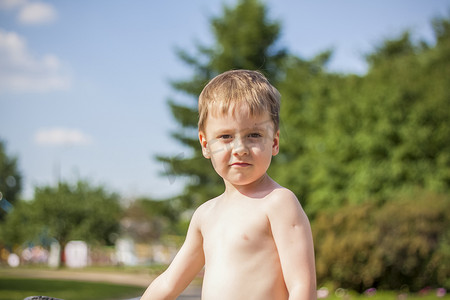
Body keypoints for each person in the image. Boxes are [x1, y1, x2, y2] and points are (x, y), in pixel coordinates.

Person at [141, 70, 316, 300]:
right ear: (205, 144)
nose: (240, 148)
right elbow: (169, 282)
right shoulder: (205, 215)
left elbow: (301, 286)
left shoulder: (278, 203)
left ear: (274, 142)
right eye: (225, 137)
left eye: (253, 135)